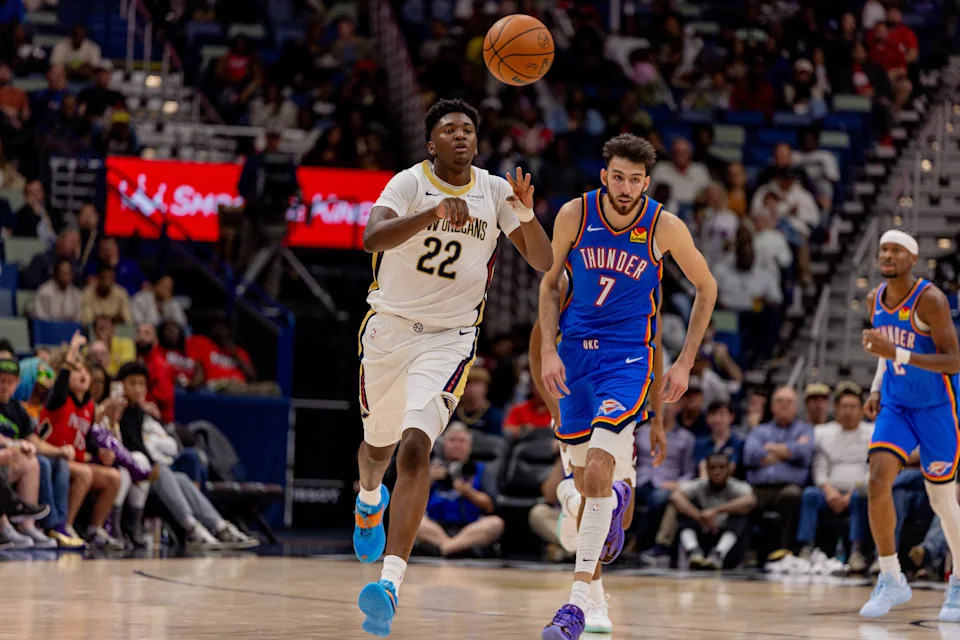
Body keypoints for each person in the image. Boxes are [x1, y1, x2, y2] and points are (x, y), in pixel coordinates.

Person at [352, 98, 553, 636]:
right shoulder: (408, 183)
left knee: (416, 446)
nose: (461, 136)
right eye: (449, 129)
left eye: (468, 129)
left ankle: (389, 584)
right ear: (431, 143)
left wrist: (526, 213)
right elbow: (371, 238)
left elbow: (543, 259)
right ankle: (369, 500)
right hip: (390, 329)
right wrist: (433, 214)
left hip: (450, 339)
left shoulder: (494, 191)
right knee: (376, 449)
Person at [538, 133, 717, 640]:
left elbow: (707, 286)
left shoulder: (664, 225)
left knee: (598, 467)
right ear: (604, 176)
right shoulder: (575, 214)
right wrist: (549, 349)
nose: (625, 187)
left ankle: (574, 606)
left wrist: (684, 362)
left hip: (627, 360)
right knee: (583, 488)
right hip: (575, 356)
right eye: (617, 177)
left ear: (646, 182)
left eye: (635, 180)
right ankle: (596, 590)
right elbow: (549, 284)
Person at [858, 230, 960, 620]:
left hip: (937, 407)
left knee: (941, 501)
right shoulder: (874, 299)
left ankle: (958, 582)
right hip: (897, 404)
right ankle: (891, 577)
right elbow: (884, 352)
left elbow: (953, 361)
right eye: (883, 249)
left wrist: (897, 352)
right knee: (877, 481)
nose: (887, 255)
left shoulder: (930, 300)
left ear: (912, 258)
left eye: (896, 250)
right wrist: (876, 387)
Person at [38, 332, 125, 548]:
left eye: (85, 370)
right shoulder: (58, 398)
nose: (83, 374)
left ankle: (95, 530)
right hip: (52, 457)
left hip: (74, 461)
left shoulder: (89, 406)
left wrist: (100, 452)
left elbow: (87, 440)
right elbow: (60, 386)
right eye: (77, 370)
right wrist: (70, 357)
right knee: (85, 473)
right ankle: (65, 525)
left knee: (114, 477)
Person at [417, 423, 504, 556]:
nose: (457, 445)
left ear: (470, 446)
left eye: (462, 441)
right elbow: (411, 503)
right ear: (444, 444)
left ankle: (447, 547)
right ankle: (450, 546)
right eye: (452, 440)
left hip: (469, 528)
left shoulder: (481, 470)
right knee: (415, 521)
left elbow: (490, 506)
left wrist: (468, 492)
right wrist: (429, 480)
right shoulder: (431, 469)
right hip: (435, 527)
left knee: (495, 523)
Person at [672, 452, 756, 570]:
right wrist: (699, 517)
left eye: (721, 467)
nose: (717, 472)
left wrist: (715, 511)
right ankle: (693, 552)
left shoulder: (737, 485)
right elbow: (675, 497)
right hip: (704, 537)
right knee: (682, 511)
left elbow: (750, 500)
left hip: (728, 544)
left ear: (729, 469)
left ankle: (718, 554)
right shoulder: (700, 484)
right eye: (712, 468)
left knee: (741, 514)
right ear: (706, 469)